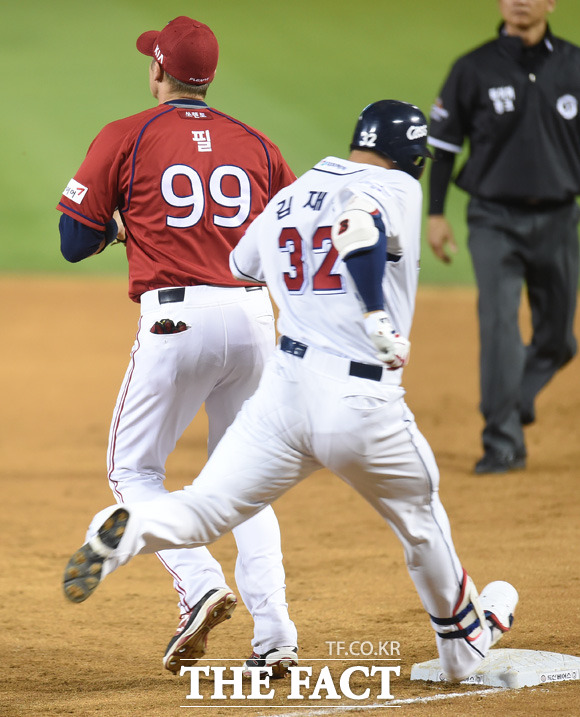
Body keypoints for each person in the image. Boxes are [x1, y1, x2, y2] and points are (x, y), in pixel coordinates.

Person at [63, 99, 519, 683]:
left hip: (284, 398)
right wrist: (375, 311)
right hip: (359, 403)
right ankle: (462, 646)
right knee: (422, 526)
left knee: (208, 507)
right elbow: (357, 225)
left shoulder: (290, 195)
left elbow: (245, 259)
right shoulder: (397, 186)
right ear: (416, 158)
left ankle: (127, 531)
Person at [56, 16, 298, 677]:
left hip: (175, 322)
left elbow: (72, 242)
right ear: (210, 77)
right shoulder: (258, 144)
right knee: (247, 482)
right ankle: (276, 637)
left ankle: (199, 582)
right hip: (255, 319)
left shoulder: (126, 135)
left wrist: (117, 228)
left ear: (159, 70)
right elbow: (293, 238)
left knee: (132, 471)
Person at [426, 0, 580, 474]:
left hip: (559, 217)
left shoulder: (574, 65)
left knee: (558, 339)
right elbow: (445, 145)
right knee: (499, 325)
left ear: (551, 3)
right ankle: (502, 441)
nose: (520, 1)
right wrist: (435, 214)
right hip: (493, 219)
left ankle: (513, 401)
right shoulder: (473, 68)